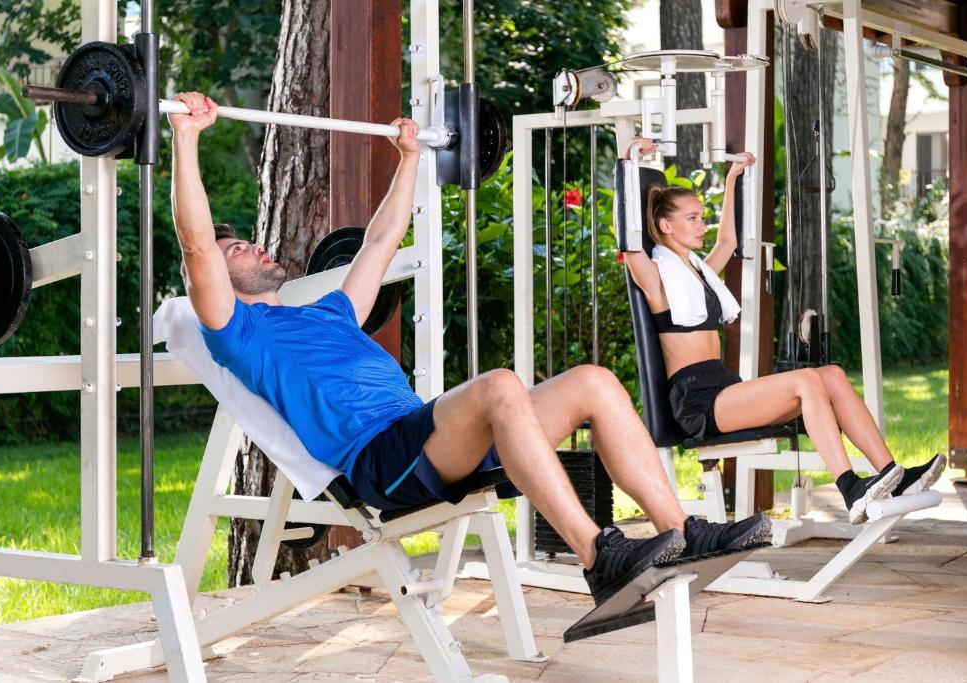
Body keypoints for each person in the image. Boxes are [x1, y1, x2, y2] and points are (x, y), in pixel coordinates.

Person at [167, 92, 770, 606]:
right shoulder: (240, 335)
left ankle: (682, 531)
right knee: (499, 385)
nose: (255, 247)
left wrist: (408, 159)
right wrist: (186, 139)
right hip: (382, 461)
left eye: (247, 241)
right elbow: (196, 246)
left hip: (429, 440)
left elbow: (379, 242)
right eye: (237, 250)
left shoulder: (329, 311)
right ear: (218, 281)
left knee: (594, 381)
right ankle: (599, 557)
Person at [622, 139, 946, 524]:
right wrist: (627, 163)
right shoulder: (657, 279)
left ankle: (894, 476)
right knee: (807, 380)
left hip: (722, 387)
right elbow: (629, 245)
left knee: (832, 375)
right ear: (665, 226)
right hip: (697, 401)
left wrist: (732, 180)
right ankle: (850, 489)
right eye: (692, 218)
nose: (701, 224)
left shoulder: (698, 273)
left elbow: (728, 241)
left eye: (701, 216)